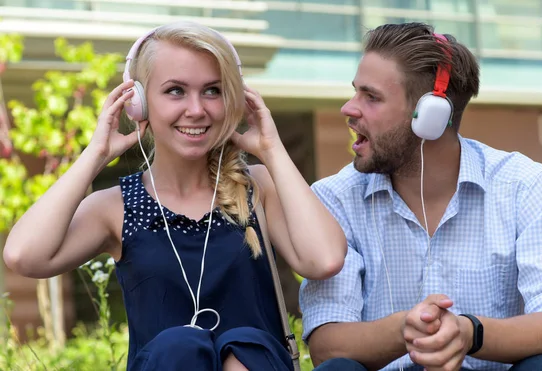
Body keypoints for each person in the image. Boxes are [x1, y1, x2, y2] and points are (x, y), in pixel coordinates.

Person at [3, 21, 347, 371]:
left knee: (248, 346)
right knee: (179, 345)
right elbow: (23, 255)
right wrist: (95, 155)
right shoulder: (117, 207)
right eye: (175, 91)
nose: (196, 110)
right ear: (138, 102)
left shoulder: (257, 187)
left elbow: (325, 260)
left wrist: (272, 150)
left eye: (212, 90)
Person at [299, 22, 542, 371]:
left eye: (371, 97)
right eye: (355, 92)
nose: (349, 108)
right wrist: (406, 328)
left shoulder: (526, 186)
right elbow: (326, 346)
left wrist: (469, 333)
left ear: (431, 116)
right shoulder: (334, 198)